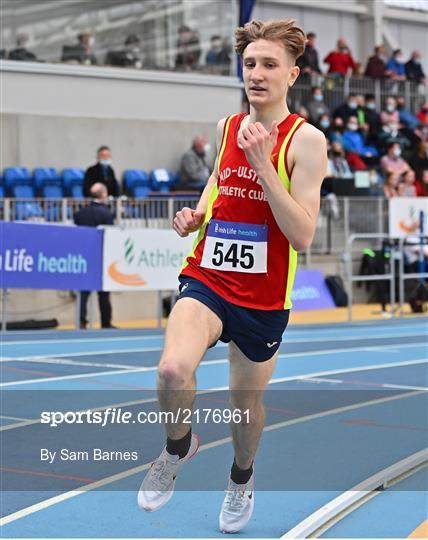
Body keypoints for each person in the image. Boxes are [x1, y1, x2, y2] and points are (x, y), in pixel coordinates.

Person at [137, 18, 327, 534]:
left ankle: (241, 478)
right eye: (250, 64)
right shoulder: (227, 128)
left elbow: (303, 235)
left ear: (293, 74)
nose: (257, 74)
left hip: (262, 299)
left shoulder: (307, 142)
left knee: (246, 408)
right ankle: (177, 448)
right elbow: (220, 181)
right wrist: (195, 215)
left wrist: (266, 165)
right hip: (209, 277)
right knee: (172, 372)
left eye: (270, 65)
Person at [73, 183, 115, 329]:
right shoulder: (106, 213)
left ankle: (81, 321)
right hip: (101, 257)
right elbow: (111, 235)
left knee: (84, 292)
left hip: (85, 256)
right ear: (103, 195)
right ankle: (106, 322)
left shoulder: (80, 213)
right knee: (103, 292)